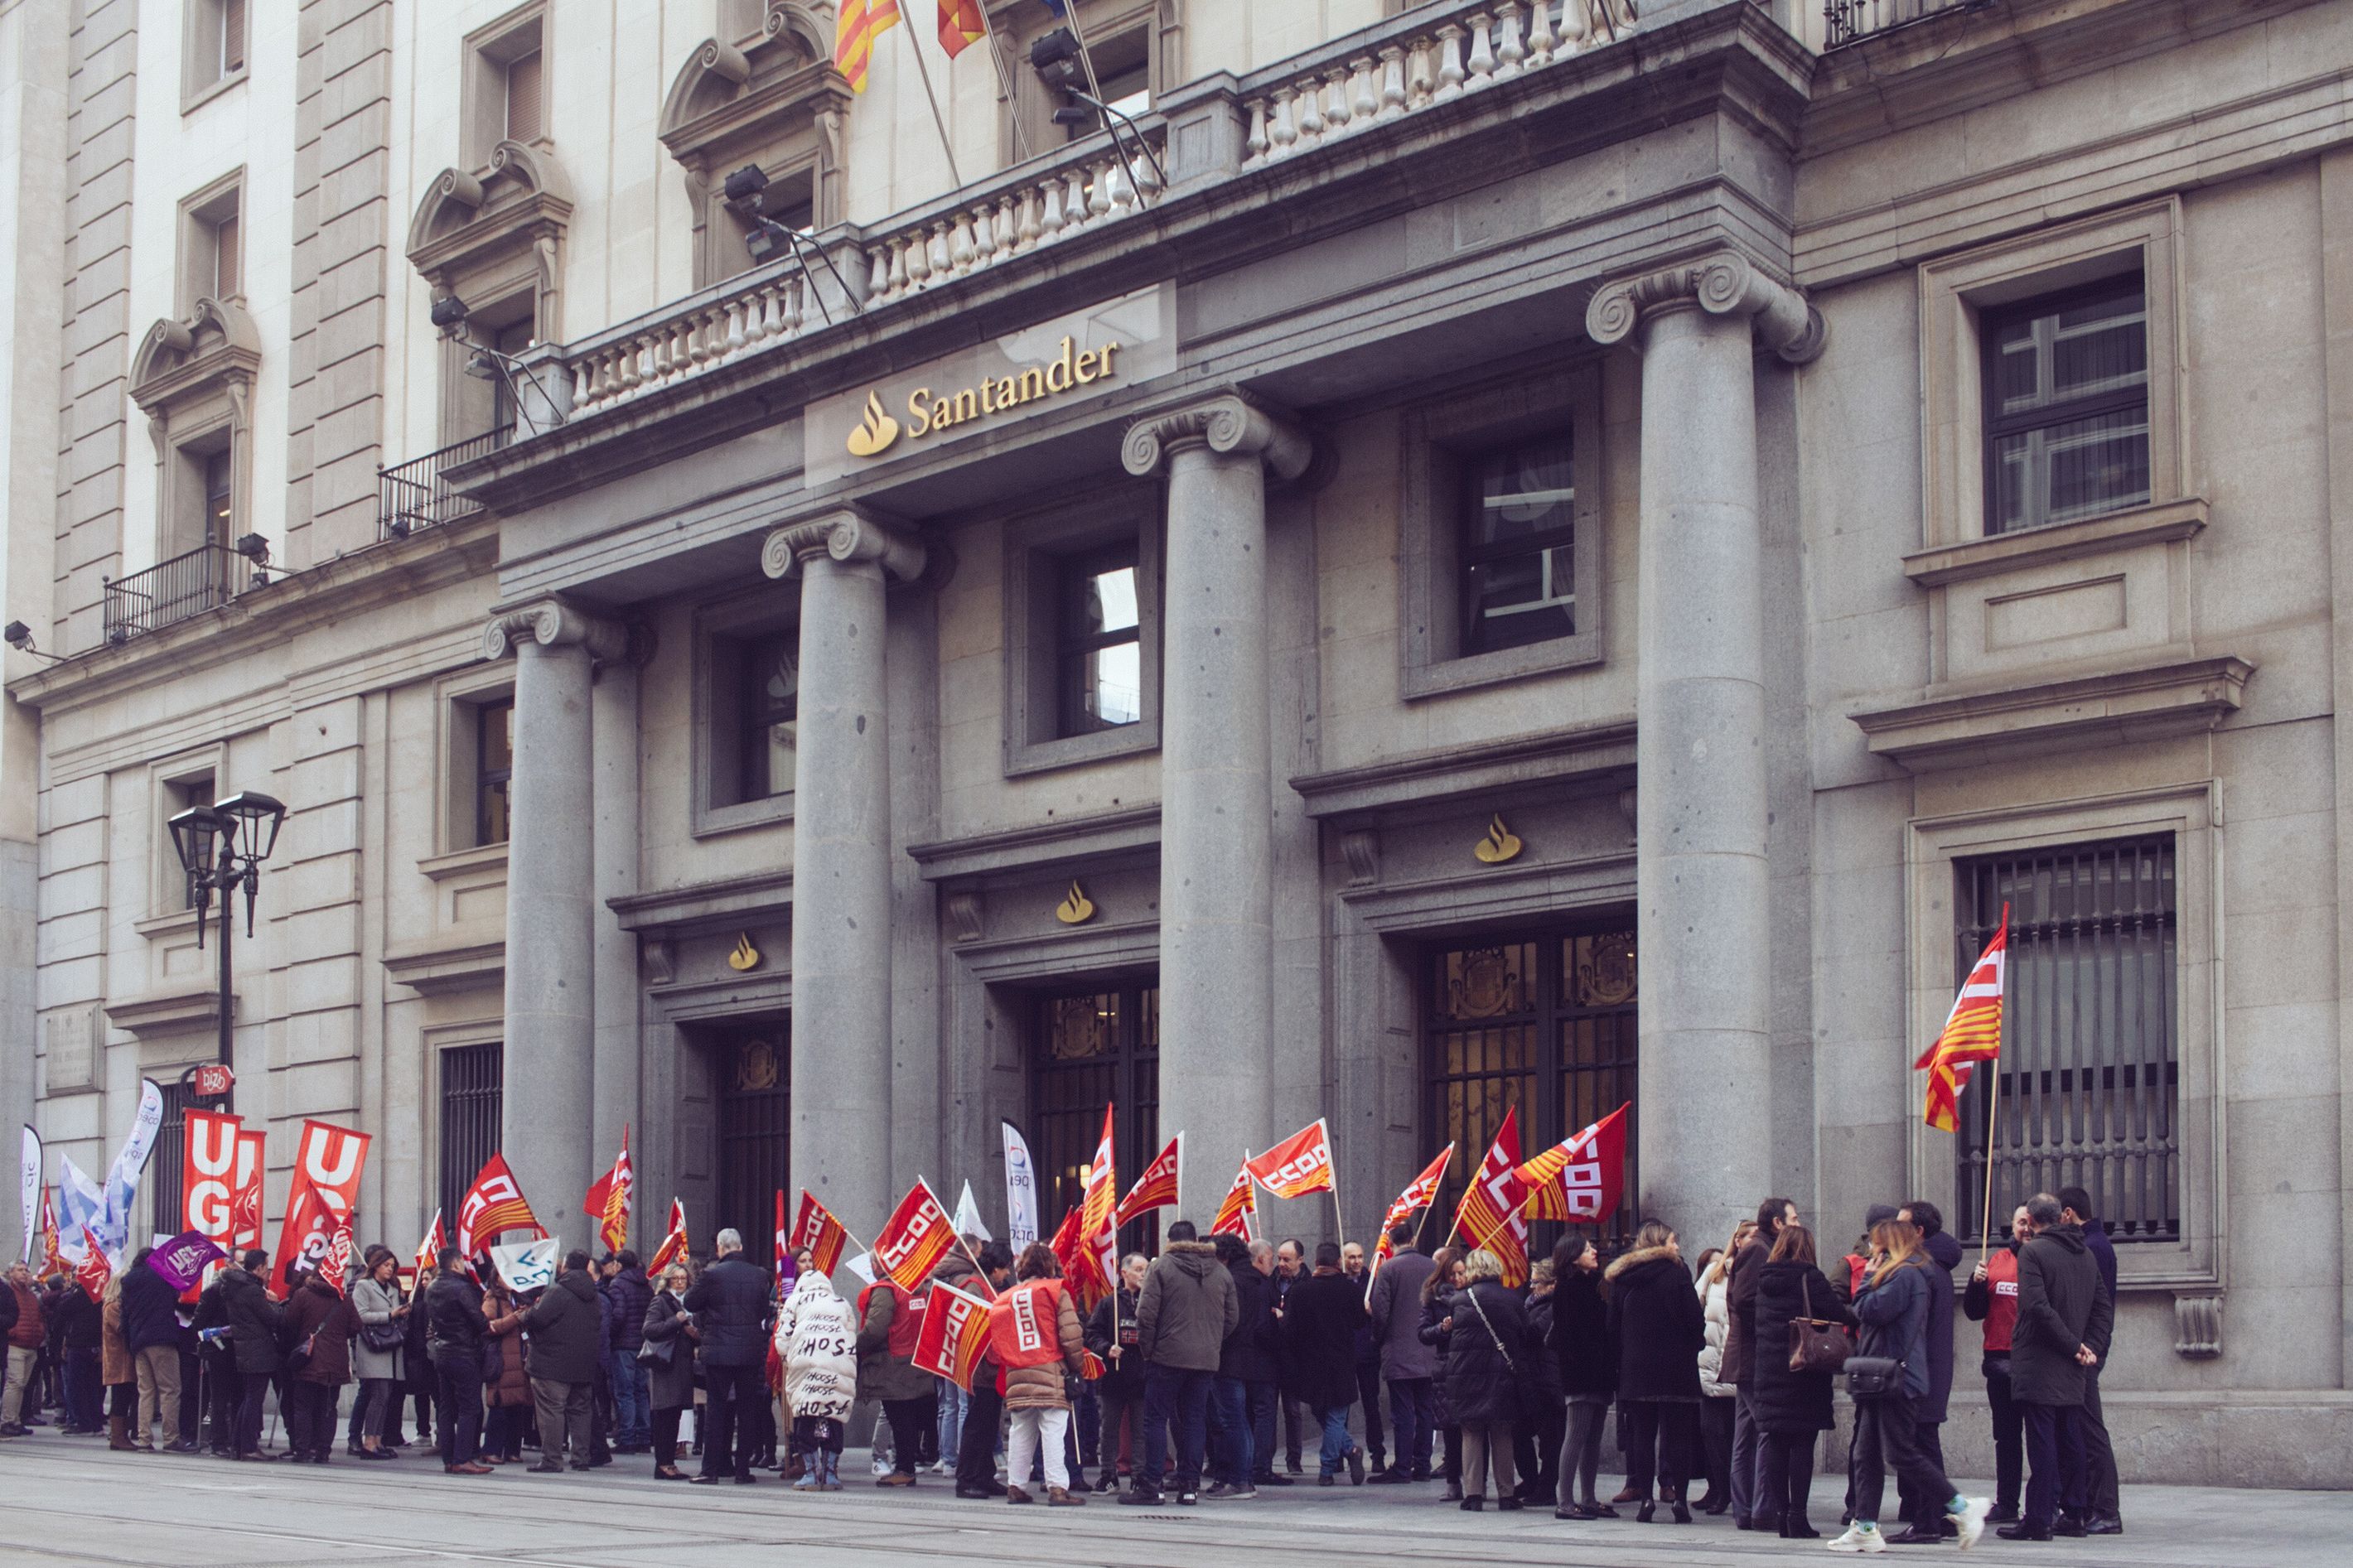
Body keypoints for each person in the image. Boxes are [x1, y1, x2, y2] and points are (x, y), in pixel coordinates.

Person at [1832, 1217, 1991, 1554]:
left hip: (1896, 1377)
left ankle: (1963, 1508)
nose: (1871, 1249)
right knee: (1866, 1453)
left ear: (1890, 1244)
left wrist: (1869, 1278)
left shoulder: (1905, 1275)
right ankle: (1865, 1527)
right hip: (1885, 1375)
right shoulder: (1906, 1274)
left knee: (1900, 1452)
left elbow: (1869, 1311)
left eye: (1876, 1242)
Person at [1998, 1192, 2114, 1543]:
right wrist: (2087, 1347)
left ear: (2031, 1221)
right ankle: (2075, 1513)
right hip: (2073, 1363)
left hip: (2041, 1361)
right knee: (2071, 1437)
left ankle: (2038, 1519)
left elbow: (2035, 1307)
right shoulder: (2086, 1254)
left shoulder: (2033, 1252)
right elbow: (2102, 1309)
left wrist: (2075, 1345)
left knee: (2042, 1442)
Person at [1746, 1224, 1852, 1539]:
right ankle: (1798, 1518)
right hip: (1803, 1371)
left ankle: (1781, 1516)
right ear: (1807, 1247)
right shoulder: (1810, 1276)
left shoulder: (1764, 1280)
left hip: (1769, 1370)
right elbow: (1836, 1312)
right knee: (1802, 1444)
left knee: (1777, 1443)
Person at [1123, 1218, 1236, 1507]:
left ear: (1170, 1240)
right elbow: (1232, 1318)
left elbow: (1145, 1316)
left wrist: (1150, 1351)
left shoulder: (1161, 1267)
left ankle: (1152, 1485)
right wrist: (1211, 1343)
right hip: (1205, 1360)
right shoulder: (1221, 1272)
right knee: (1195, 1420)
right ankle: (1189, 1487)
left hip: (1167, 1357)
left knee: (1156, 1419)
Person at [1606, 1219, 1705, 1522]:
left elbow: (1612, 1329)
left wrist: (1620, 1364)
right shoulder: (1678, 1273)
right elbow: (1696, 1321)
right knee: (1679, 1438)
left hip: (1637, 1370)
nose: (1677, 1246)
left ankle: (1646, 1500)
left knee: (1643, 1436)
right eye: (1673, 1240)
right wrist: (1692, 1344)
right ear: (1661, 1243)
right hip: (1677, 1368)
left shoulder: (1623, 1278)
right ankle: (1680, 1502)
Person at [986, 1242, 1090, 1507]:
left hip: (1018, 1372)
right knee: (1054, 1430)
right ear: (1049, 1265)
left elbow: (997, 1341)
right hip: (1050, 1370)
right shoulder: (1056, 1291)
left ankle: (1016, 1486)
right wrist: (1077, 1366)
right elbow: (1071, 1334)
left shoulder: (1005, 1297)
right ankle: (1057, 1488)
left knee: (1021, 1430)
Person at [1890, 1199, 1964, 1542]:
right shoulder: (1935, 1267)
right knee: (1923, 1443)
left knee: (1918, 1446)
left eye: (1903, 1225)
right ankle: (1938, 1514)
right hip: (1931, 1368)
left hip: (1922, 1371)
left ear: (1918, 1231)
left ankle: (1927, 1520)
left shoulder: (1924, 1269)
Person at [1724, 1197, 1798, 1532]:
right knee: (1766, 1431)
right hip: (1754, 1356)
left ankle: (1747, 1509)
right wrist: (1771, 1330)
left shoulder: (1765, 1247)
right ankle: (1760, 1509)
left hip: (1750, 1355)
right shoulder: (1758, 1248)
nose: (1798, 1223)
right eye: (1793, 1218)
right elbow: (1744, 1299)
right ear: (1778, 1222)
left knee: (1748, 1434)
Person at [1442, 1247, 1533, 1510]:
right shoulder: (1512, 1299)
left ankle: (1473, 1495)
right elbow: (1525, 1335)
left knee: (1471, 1432)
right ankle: (1506, 1494)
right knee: (1502, 1433)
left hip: (1466, 1375)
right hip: (1502, 1375)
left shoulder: (1459, 1301)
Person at [684, 1227, 772, 1486]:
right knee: (747, 1411)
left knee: (716, 1410)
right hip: (749, 1351)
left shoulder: (711, 1274)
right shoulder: (759, 1275)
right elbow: (762, 1310)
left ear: (720, 1249)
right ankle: (742, 1470)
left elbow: (690, 1302)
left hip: (719, 1352)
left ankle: (710, 1470)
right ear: (741, 1248)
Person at [2056, 1186, 2121, 1535]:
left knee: (2091, 1430)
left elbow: (2097, 1306)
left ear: (2067, 1214)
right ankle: (2095, 1506)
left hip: (2086, 1352)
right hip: (2087, 1348)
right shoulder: (2095, 1244)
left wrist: (2089, 1349)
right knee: (2082, 1429)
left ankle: (2107, 1510)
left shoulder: (2092, 1248)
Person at [1964, 1204, 2033, 1524]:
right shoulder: (1997, 1262)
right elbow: (1975, 1311)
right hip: (2000, 1359)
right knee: (2006, 1437)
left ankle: (2045, 1502)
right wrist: (1976, 1283)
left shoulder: (2045, 1262)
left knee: (2040, 1435)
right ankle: (2007, 1503)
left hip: (2035, 1362)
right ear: (2013, 1226)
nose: (2027, 1228)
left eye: (2032, 1223)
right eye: (2021, 1222)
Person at [1282, 1239, 1369, 1488]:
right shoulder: (1350, 1290)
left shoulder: (1300, 1291)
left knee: (1324, 1413)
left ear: (1316, 1262)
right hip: (1341, 1362)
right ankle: (1344, 1455)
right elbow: (1360, 1323)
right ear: (1338, 1262)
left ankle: (1331, 1466)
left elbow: (1290, 1329)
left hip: (1311, 1364)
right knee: (1334, 1417)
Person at [505, 1249, 602, 1472]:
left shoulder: (559, 1292)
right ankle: (581, 1457)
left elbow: (537, 1318)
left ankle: (551, 1459)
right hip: (583, 1363)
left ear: (566, 1266)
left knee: (552, 1411)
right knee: (580, 1411)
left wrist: (524, 1315)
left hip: (551, 1363)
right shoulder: (593, 1295)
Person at [1548, 1234, 1616, 1520]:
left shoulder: (1592, 1287)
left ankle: (1588, 1497)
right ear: (1573, 1256)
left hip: (1599, 1372)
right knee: (1575, 1436)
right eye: (1588, 1249)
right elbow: (1569, 1337)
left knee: (1593, 1438)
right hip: (1581, 1373)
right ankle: (1564, 1500)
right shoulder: (1568, 1289)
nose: (1594, 1251)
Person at [1365, 1222, 1437, 1484]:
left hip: (1399, 1350)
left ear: (1391, 1241)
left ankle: (1403, 1466)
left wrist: (1377, 1338)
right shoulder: (1432, 1266)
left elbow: (1380, 1311)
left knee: (1403, 1412)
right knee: (1425, 1410)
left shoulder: (1388, 1269)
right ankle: (1424, 1464)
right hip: (1428, 1349)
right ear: (1414, 1238)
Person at [778, 1260, 858, 1491]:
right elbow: (851, 1335)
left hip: (807, 1369)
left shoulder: (795, 1301)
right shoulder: (841, 1303)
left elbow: (783, 1339)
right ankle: (831, 1473)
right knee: (833, 1417)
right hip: (837, 1370)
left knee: (806, 1417)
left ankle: (811, 1474)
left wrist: (788, 1356)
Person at [858, 1266, 938, 1488]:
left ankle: (904, 1468)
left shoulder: (885, 1290)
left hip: (892, 1365)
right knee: (908, 1419)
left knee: (899, 1419)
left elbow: (875, 1329)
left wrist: (853, 1345)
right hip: (917, 1362)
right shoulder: (918, 1288)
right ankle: (907, 1466)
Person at [1207, 1233, 1273, 1499]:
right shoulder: (1257, 1279)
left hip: (1229, 1357)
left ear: (1223, 1256)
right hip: (1248, 1357)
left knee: (1231, 1419)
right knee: (1239, 1419)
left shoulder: (1232, 1280)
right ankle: (1242, 1477)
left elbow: (1229, 1320)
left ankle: (1240, 1480)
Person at [950, 1242, 1015, 1498]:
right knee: (977, 1424)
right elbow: (977, 1324)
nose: (1007, 1273)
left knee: (989, 1425)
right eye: (1005, 1268)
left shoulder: (985, 1286)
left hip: (991, 1367)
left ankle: (984, 1475)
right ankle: (966, 1479)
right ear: (995, 1267)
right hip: (981, 1368)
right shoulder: (974, 1287)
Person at [423, 1245, 492, 1475]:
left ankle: (449, 1458)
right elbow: (480, 1322)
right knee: (469, 1406)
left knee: (446, 1407)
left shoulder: (431, 1288)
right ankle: (463, 1458)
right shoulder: (462, 1289)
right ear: (455, 1264)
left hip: (442, 1352)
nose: (464, 1266)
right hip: (463, 1353)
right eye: (462, 1262)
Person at [1085, 1253, 1148, 1492]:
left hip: (1141, 1374)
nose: (1143, 1274)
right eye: (1138, 1269)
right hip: (1114, 1374)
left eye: (1145, 1270)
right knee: (1109, 1427)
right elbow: (1092, 1333)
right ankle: (1108, 1474)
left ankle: (1139, 1476)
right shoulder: (1108, 1303)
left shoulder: (1150, 1300)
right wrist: (1106, 1348)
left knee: (1140, 1429)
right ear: (1124, 1273)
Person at [285, 1262, 357, 1464]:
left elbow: (289, 1322)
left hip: (308, 1359)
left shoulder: (302, 1295)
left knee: (303, 1407)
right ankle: (323, 1451)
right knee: (328, 1408)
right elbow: (356, 1327)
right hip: (335, 1364)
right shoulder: (344, 1300)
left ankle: (302, 1450)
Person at [119, 1247, 189, 1453]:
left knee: (146, 1391)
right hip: (162, 1338)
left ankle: (144, 1439)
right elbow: (176, 1300)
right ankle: (171, 1439)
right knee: (170, 1389)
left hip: (138, 1341)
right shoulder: (163, 1276)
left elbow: (124, 1314)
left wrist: (130, 1341)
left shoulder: (128, 1280)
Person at [1693, 1233, 1742, 1513]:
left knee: (1738, 1436)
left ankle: (1736, 1493)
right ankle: (1720, 1490)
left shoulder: (1753, 1272)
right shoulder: (1714, 1273)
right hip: (1711, 1365)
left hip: (1738, 1367)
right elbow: (1692, 1306)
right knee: (1712, 1433)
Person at [220, 1249, 282, 1462]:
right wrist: (274, 1302)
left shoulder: (236, 1287)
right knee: (253, 1400)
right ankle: (247, 1447)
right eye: (267, 1266)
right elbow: (272, 1319)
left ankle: (238, 1445)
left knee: (248, 1399)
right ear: (259, 1268)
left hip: (245, 1349)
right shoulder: (253, 1291)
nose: (268, 1271)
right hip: (258, 1351)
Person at [1417, 1245, 1467, 1498]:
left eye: (1462, 1273)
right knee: (1450, 1428)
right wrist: (1442, 1329)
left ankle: (1474, 1483)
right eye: (1454, 1274)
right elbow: (1423, 1334)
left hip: (1469, 1365)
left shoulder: (1472, 1296)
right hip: (1446, 1367)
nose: (1458, 1279)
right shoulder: (1433, 1297)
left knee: (1472, 1427)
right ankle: (1453, 1483)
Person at [642, 1261, 697, 1480]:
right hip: (665, 1365)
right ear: (668, 1281)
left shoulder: (690, 1303)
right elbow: (649, 1329)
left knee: (675, 1415)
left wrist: (696, 1334)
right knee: (664, 1415)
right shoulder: (661, 1301)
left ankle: (670, 1462)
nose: (681, 1282)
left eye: (684, 1278)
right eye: (676, 1279)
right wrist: (676, 1321)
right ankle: (662, 1463)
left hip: (682, 1367)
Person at [1515, 1255, 1563, 1503]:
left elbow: (1534, 1334)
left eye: (1537, 1283)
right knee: (1520, 1431)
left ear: (1552, 1284)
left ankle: (1546, 1488)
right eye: (1531, 1282)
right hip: (1532, 1377)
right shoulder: (1532, 1304)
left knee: (1550, 1439)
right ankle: (1531, 1480)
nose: (1532, 1287)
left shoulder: (1554, 1306)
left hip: (1547, 1378)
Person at [350, 1252, 407, 1459]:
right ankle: (369, 1442)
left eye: (392, 1265)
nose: (389, 1269)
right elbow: (360, 1315)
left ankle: (378, 1439)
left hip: (391, 1348)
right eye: (385, 1265)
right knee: (378, 1395)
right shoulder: (364, 1285)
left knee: (386, 1396)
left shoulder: (392, 1288)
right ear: (375, 1266)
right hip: (373, 1348)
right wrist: (389, 1315)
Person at [1340, 1241, 1388, 1476]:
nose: (1356, 1261)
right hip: (1345, 1352)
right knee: (1341, 1407)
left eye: (1359, 1256)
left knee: (1372, 1405)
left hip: (1368, 1353)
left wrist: (1373, 1312)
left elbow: (1385, 1314)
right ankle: (1341, 1452)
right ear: (1342, 1259)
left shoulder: (1373, 1282)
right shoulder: (1338, 1284)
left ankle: (1377, 1454)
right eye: (1351, 1257)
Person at [603, 1247, 652, 1455]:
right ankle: (644, 1437)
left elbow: (619, 1315)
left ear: (619, 1265)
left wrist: (610, 1333)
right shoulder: (646, 1285)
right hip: (642, 1344)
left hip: (623, 1345)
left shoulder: (618, 1284)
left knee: (625, 1392)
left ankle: (628, 1437)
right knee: (641, 1390)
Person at [479, 1278, 531, 1462]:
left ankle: (512, 1450)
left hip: (518, 1359)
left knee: (517, 1405)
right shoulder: (492, 1299)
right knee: (499, 1405)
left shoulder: (518, 1298)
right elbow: (488, 1327)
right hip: (501, 1360)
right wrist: (515, 1317)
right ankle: (491, 1450)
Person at [1268, 1238, 1309, 1474]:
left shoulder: (1306, 1283)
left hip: (1294, 1356)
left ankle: (1294, 1459)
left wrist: (1286, 1317)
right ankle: (1267, 1457)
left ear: (1300, 1260)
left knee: (1293, 1411)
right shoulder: (1271, 1280)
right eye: (1279, 1258)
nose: (1282, 1264)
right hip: (1272, 1354)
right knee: (1268, 1410)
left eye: (1287, 1259)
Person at [55, 1265, 103, 1438]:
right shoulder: (98, 1294)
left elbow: (63, 1310)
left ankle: (84, 1423)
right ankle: (96, 1423)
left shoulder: (81, 1294)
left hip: (80, 1345)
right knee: (92, 1387)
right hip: (94, 1345)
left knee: (77, 1385)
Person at [0, 1262, 41, 1437]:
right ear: (11, 1273)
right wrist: (13, 1332)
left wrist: (40, 1331)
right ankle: (7, 1420)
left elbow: (37, 1316)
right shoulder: (8, 1291)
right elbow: (11, 1314)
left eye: (26, 1270)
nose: (25, 1273)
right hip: (15, 1344)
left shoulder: (30, 1295)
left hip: (31, 1344)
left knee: (21, 1385)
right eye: (20, 1270)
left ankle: (16, 1419)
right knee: (15, 1382)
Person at [401, 1263, 437, 1453]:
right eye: (422, 1279)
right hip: (421, 1356)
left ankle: (438, 1434)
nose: (423, 1282)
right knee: (422, 1396)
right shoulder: (416, 1303)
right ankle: (423, 1432)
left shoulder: (435, 1302)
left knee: (438, 1397)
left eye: (427, 1279)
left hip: (433, 1356)